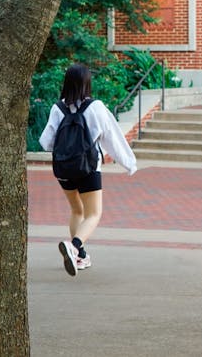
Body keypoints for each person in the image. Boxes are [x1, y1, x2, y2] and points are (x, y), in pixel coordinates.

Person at [40, 63, 137, 276]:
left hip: (64, 169)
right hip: (88, 168)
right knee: (94, 213)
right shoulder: (96, 107)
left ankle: (80, 256)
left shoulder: (58, 108)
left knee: (77, 210)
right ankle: (74, 246)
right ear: (87, 83)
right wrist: (129, 163)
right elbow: (112, 138)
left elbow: (46, 141)